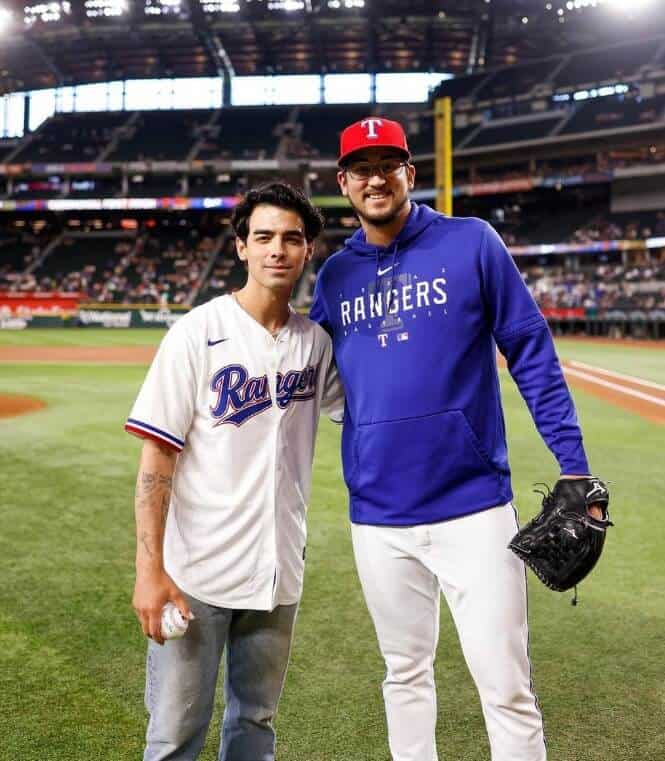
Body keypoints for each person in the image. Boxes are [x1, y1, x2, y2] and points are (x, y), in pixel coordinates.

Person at [310, 117, 602, 761]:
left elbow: (530, 350)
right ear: (345, 183)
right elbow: (312, 382)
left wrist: (573, 465)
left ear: (410, 174)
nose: (376, 177)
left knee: (506, 687)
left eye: (390, 164)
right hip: (378, 519)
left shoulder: (471, 243)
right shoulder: (333, 279)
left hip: (475, 510)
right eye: (362, 168)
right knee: (404, 676)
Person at [126, 181, 343, 761]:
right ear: (242, 247)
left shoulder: (316, 345)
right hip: (195, 576)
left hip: (277, 576)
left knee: (255, 727)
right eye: (264, 236)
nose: (278, 249)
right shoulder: (196, 334)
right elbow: (156, 462)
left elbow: (370, 412)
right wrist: (150, 569)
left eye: (292, 239)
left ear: (307, 252)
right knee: (174, 734)